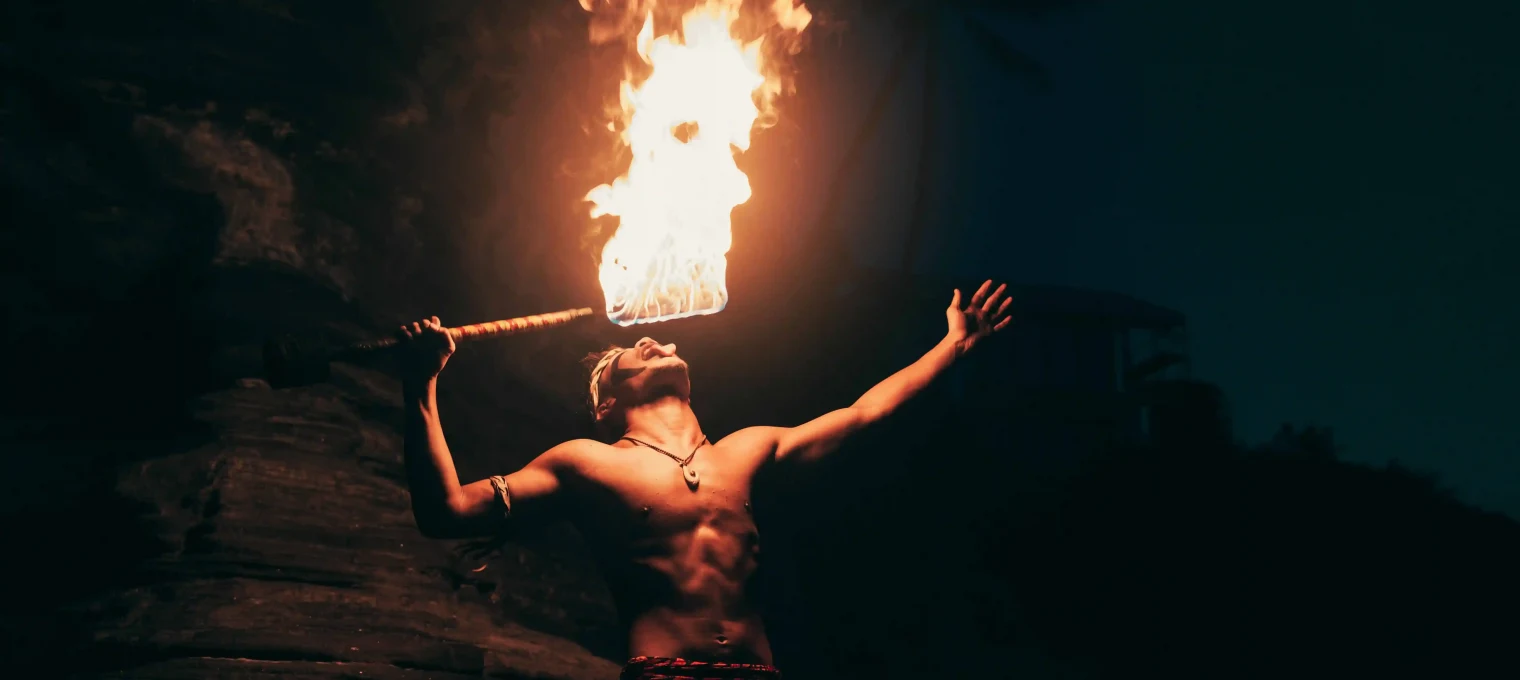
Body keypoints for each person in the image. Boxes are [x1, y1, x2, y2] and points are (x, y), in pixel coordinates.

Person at [397, 280, 1013, 679]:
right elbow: (446, 511)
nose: (652, 337)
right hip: (663, 672)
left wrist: (953, 346)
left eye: (657, 339)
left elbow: (865, 413)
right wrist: (422, 383)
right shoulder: (588, 462)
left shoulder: (747, 450)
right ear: (606, 405)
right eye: (625, 353)